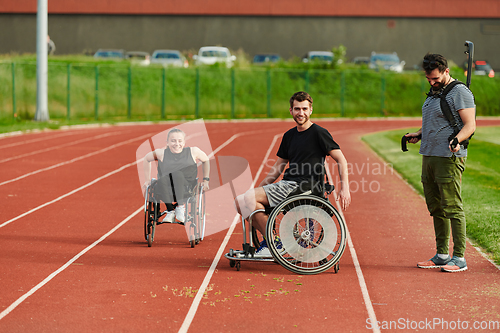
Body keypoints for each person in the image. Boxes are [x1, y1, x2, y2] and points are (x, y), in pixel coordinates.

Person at [236, 91, 351, 257]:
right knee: (240, 202)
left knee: (248, 198)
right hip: (288, 184)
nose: (301, 113)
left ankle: (274, 243)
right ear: (291, 110)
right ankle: (272, 241)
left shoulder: (319, 133)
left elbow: (341, 159)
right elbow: (278, 167)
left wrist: (344, 188)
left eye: (304, 109)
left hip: (306, 186)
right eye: (297, 109)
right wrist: (259, 188)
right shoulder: (289, 136)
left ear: (311, 110)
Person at [406, 53, 476, 272]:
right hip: (429, 155)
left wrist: (458, 139)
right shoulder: (434, 92)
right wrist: (419, 133)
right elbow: (436, 121)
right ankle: (442, 254)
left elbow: (470, 125)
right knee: (435, 207)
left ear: (446, 71)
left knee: (452, 207)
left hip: (448, 158)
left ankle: (460, 258)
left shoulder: (460, 92)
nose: (432, 82)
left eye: (435, 78)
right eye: (429, 79)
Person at [143, 128, 210, 223]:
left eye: (180, 141)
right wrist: (147, 180)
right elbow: (146, 158)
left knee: (177, 174)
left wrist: (206, 180)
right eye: (173, 141)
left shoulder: (193, 151)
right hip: (166, 187)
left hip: (186, 188)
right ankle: (170, 211)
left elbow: (206, 160)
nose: (177, 144)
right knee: (161, 180)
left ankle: (180, 207)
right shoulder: (161, 153)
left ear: (184, 142)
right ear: (167, 142)